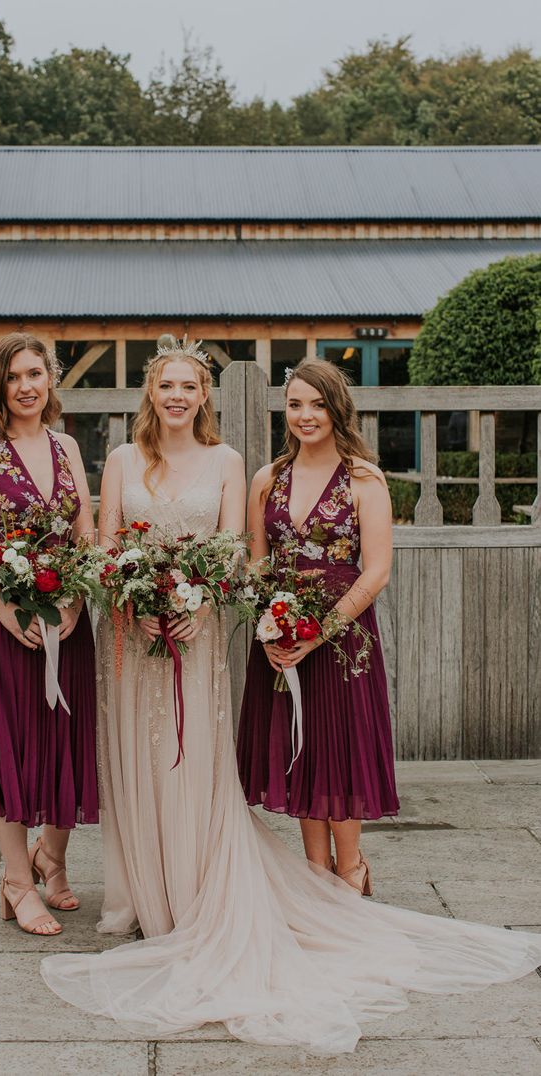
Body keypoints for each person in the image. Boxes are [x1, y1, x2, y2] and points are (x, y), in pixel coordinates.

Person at [41, 340, 541, 1053]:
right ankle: (156, 893)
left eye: (190, 385)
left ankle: (331, 875)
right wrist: (141, 600)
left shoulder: (300, 471)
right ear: (151, 393)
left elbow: (276, 560)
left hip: (244, 632)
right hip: (147, 633)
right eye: (167, 385)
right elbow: (236, 554)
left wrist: (208, 604)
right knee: (150, 758)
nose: (177, 396)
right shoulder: (161, 466)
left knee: (290, 757)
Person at [0, 332, 98, 937]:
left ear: (51, 378)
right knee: (12, 749)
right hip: (0, 621)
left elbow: (84, 534)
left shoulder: (67, 447)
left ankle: (52, 861)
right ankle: (16, 881)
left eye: (36, 373)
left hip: (65, 618)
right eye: (14, 377)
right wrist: (7, 609)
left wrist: (78, 602)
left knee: (70, 741)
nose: (27, 386)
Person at [237, 358, 398, 893]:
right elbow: (258, 562)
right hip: (281, 637)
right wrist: (273, 625)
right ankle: (315, 872)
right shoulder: (267, 479)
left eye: (318, 404)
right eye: (295, 404)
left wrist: (317, 631)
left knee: (340, 748)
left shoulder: (364, 479)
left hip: (343, 635)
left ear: (337, 409)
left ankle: (351, 870)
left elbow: (375, 571)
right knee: (299, 750)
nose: (306, 415)